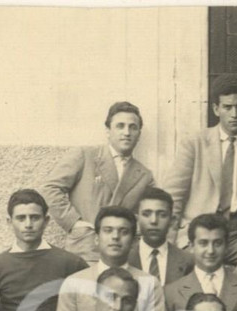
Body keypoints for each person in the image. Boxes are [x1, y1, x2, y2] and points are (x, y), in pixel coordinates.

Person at [163, 75, 237, 267]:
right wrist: (171, 235)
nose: (234, 114)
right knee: (184, 268)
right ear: (216, 109)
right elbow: (174, 193)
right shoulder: (194, 143)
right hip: (200, 229)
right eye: (227, 107)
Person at [41, 101, 155, 261]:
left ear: (139, 134)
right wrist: (73, 222)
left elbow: (149, 213)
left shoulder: (144, 175)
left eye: (133, 127)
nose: (127, 132)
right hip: (86, 248)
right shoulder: (85, 156)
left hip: (123, 253)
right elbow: (50, 188)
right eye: (120, 126)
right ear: (108, 131)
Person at [53, 205, 166, 311]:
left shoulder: (149, 283)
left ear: (133, 241)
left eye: (123, 232)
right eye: (108, 231)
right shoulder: (74, 283)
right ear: (96, 238)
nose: (115, 237)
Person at [127, 186, 193, 287]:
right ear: (137, 219)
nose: (154, 221)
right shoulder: (125, 259)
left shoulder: (188, 261)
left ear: (172, 220)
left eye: (162, 215)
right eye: (146, 214)